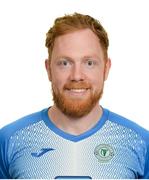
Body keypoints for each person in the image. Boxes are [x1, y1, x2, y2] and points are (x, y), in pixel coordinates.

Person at [0, 12, 149, 179]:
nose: (77, 75)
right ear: (49, 69)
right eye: (64, 63)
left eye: (89, 63)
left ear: (106, 69)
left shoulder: (140, 142)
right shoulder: (9, 140)